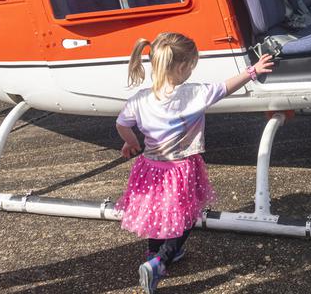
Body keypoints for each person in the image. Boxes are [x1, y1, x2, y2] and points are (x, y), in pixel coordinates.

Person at [114, 32, 274, 293]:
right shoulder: (193, 94)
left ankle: (153, 254)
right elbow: (225, 88)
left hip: (150, 167)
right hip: (180, 168)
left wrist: (130, 142)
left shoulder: (140, 98)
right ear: (182, 67)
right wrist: (252, 71)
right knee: (184, 217)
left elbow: (121, 124)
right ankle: (160, 261)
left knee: (159, 214)